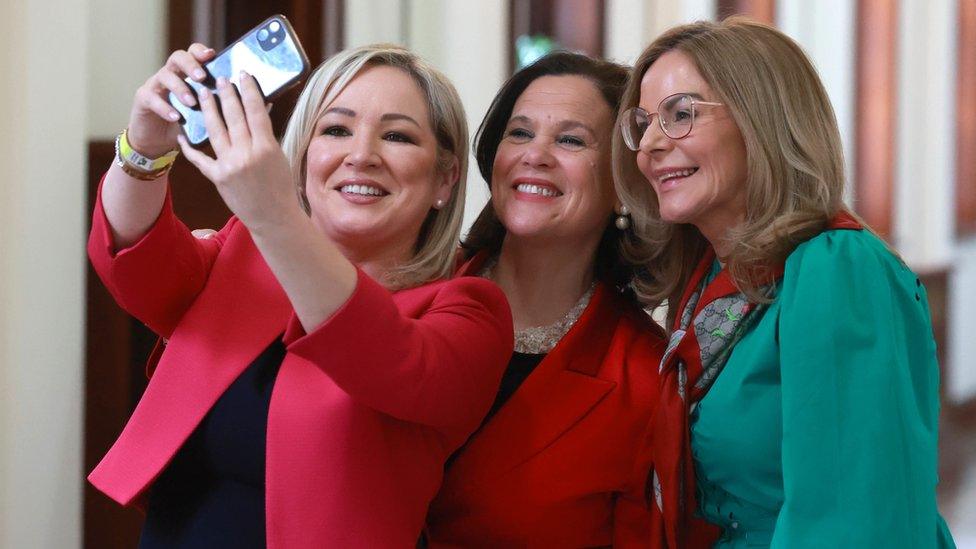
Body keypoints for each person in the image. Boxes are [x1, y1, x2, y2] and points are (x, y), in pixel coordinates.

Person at [87, 43, 513, 547]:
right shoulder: (245, 250)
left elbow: (380, 354)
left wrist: (275, 215)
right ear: (304, 157)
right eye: (335, 129)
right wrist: (145, 144)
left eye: (397, 136)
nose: (361, 155)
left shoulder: (469, 311)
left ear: (445, 179)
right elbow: (137, 264)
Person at [612, 17, 956, 548]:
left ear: (761, 120)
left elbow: (852, 523)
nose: (651, 144)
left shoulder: (836, 268)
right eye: (644, 122)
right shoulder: (707, 277)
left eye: (680, 114)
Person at [424, 52, 665, 547]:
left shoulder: (645, 377)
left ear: (624, 187)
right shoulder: (412, 287)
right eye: (520, 133)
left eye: (571, 140)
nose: (535, 154)